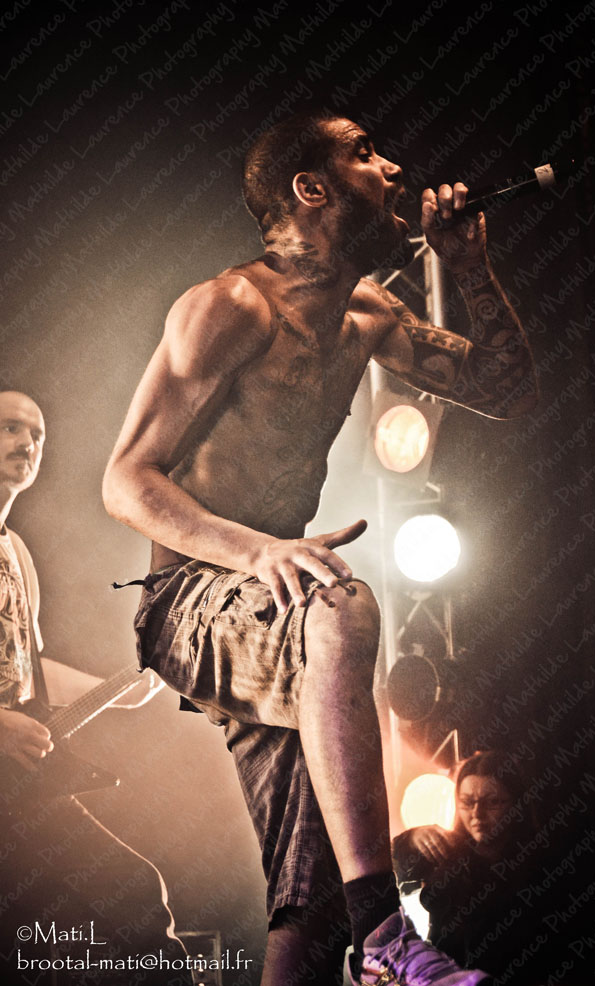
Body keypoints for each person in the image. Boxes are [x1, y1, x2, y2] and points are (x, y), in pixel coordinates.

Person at [102, 111, 538, 986]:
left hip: (272, 607)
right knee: (341, 603)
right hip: (192, 599)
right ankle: (385, 937)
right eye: (364, 153)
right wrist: (259, 553)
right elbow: (126, 481)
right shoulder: (230, 306)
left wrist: (469, 266)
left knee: (306, 899)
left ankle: (352, 934)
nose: (394, 167)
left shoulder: (368, 312)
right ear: (310, 188)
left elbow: (506, 389)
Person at [0, 390, 190, 986]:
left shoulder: (16, 553)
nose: (26, 444)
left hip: (17, 788)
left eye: (36, 435)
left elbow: (25, 669)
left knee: (124, 902)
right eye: (9, 428)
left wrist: (125, 689)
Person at [393, 751, 556, 984]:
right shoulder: (448, 852)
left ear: (516, 802)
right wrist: (411, 839)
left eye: (493, 802)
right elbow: (390, 872)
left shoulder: (541, 863)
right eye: (467, 803)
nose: (477, 814)